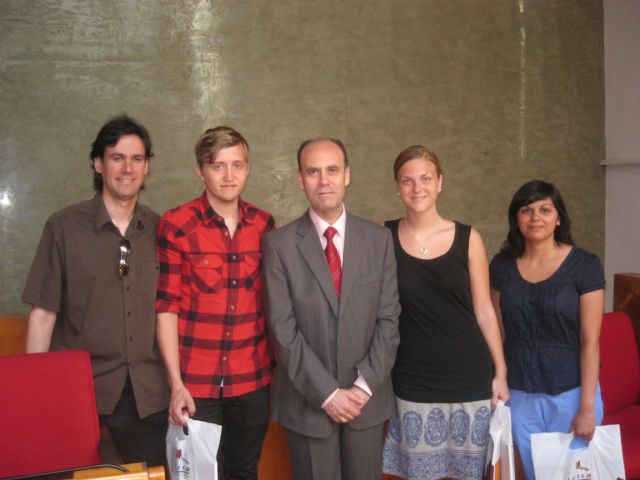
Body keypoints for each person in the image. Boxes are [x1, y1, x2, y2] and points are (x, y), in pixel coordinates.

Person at [22, 114, 169, 466]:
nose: (127, 168)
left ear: (147, 166)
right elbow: (43, 314)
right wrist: (32, 392)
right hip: (78, 388)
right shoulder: (63, 227)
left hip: (146, 393)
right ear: (98, 163)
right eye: (117, 157)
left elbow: (172, 314)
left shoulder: (162, 230)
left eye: (137, 158)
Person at [262, 138, 401, 480]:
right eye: (313, 171)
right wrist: (327, 393)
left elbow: (389, 321)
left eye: (332, 170)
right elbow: (283, 331)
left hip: (365, 403)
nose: (323, 180)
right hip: (308, 405)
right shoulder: (278, 245)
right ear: (300, 179)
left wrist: (361, 388)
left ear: (347, 175)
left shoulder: (378, 240)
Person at [381, 145, 510, 480]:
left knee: (469, 473)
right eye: (407, 180)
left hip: (470, 375)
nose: (417, 187)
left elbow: (484, 309)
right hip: (413, 377)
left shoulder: (468, 238)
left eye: (425, 178)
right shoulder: (383, 236)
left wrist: (500, 371)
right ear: (397, 186)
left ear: (440, 182)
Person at [156, 126, 275, 480]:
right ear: (200, 171)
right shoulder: (177, 225)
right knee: (195, 475)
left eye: (237, 165)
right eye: (218, 166)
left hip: (251, 379)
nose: (228, 175)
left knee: (243, 470)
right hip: (196, 382)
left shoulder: (265, 225)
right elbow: (166, 309)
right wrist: (176, 384)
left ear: (248, 169)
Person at [489, 179, 604, 480]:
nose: (535, 217)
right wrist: (498, 380)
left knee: (578, 476)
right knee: (534, 475)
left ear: (558, 217)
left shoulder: (585, 265)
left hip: (572, 394)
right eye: (526, 210)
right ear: (516, 219)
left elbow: (590, 340)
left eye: (544, 209)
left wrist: (587, 407)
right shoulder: (501, 266)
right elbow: (497, 331)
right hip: (519, 395)